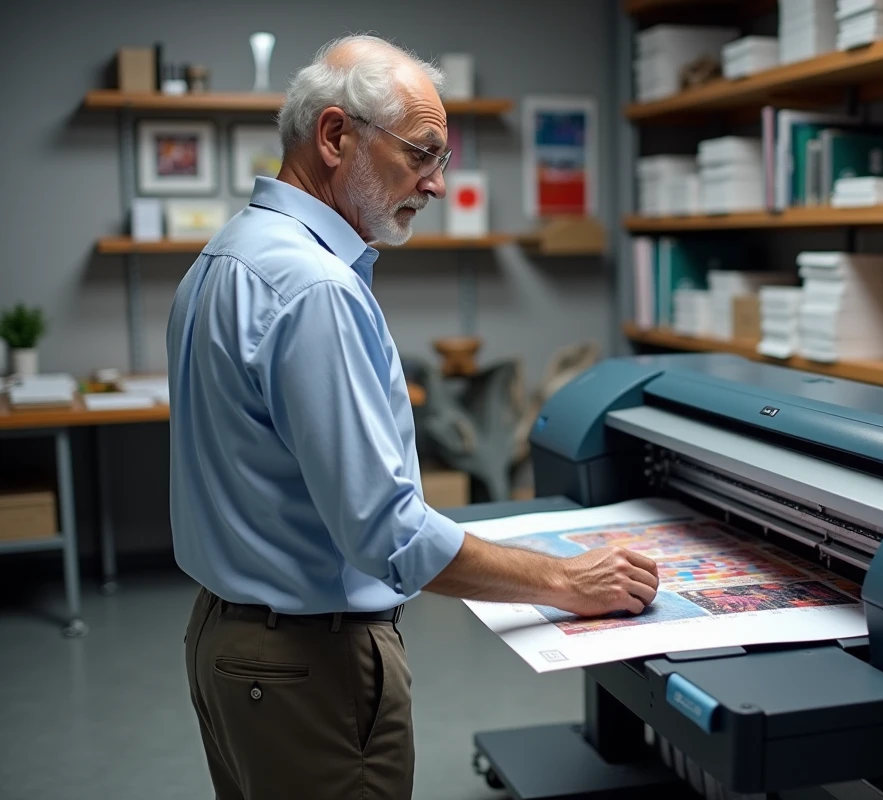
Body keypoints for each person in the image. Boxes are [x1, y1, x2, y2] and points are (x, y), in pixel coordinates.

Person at [165, 34, 658, 800]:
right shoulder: (314, 288)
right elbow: (385, 531)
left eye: (441, 161)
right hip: (309, 667)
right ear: (335, 137)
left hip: (229, 646)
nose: (435, 184)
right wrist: (563, 579)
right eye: (421, 154)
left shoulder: (229, 253)